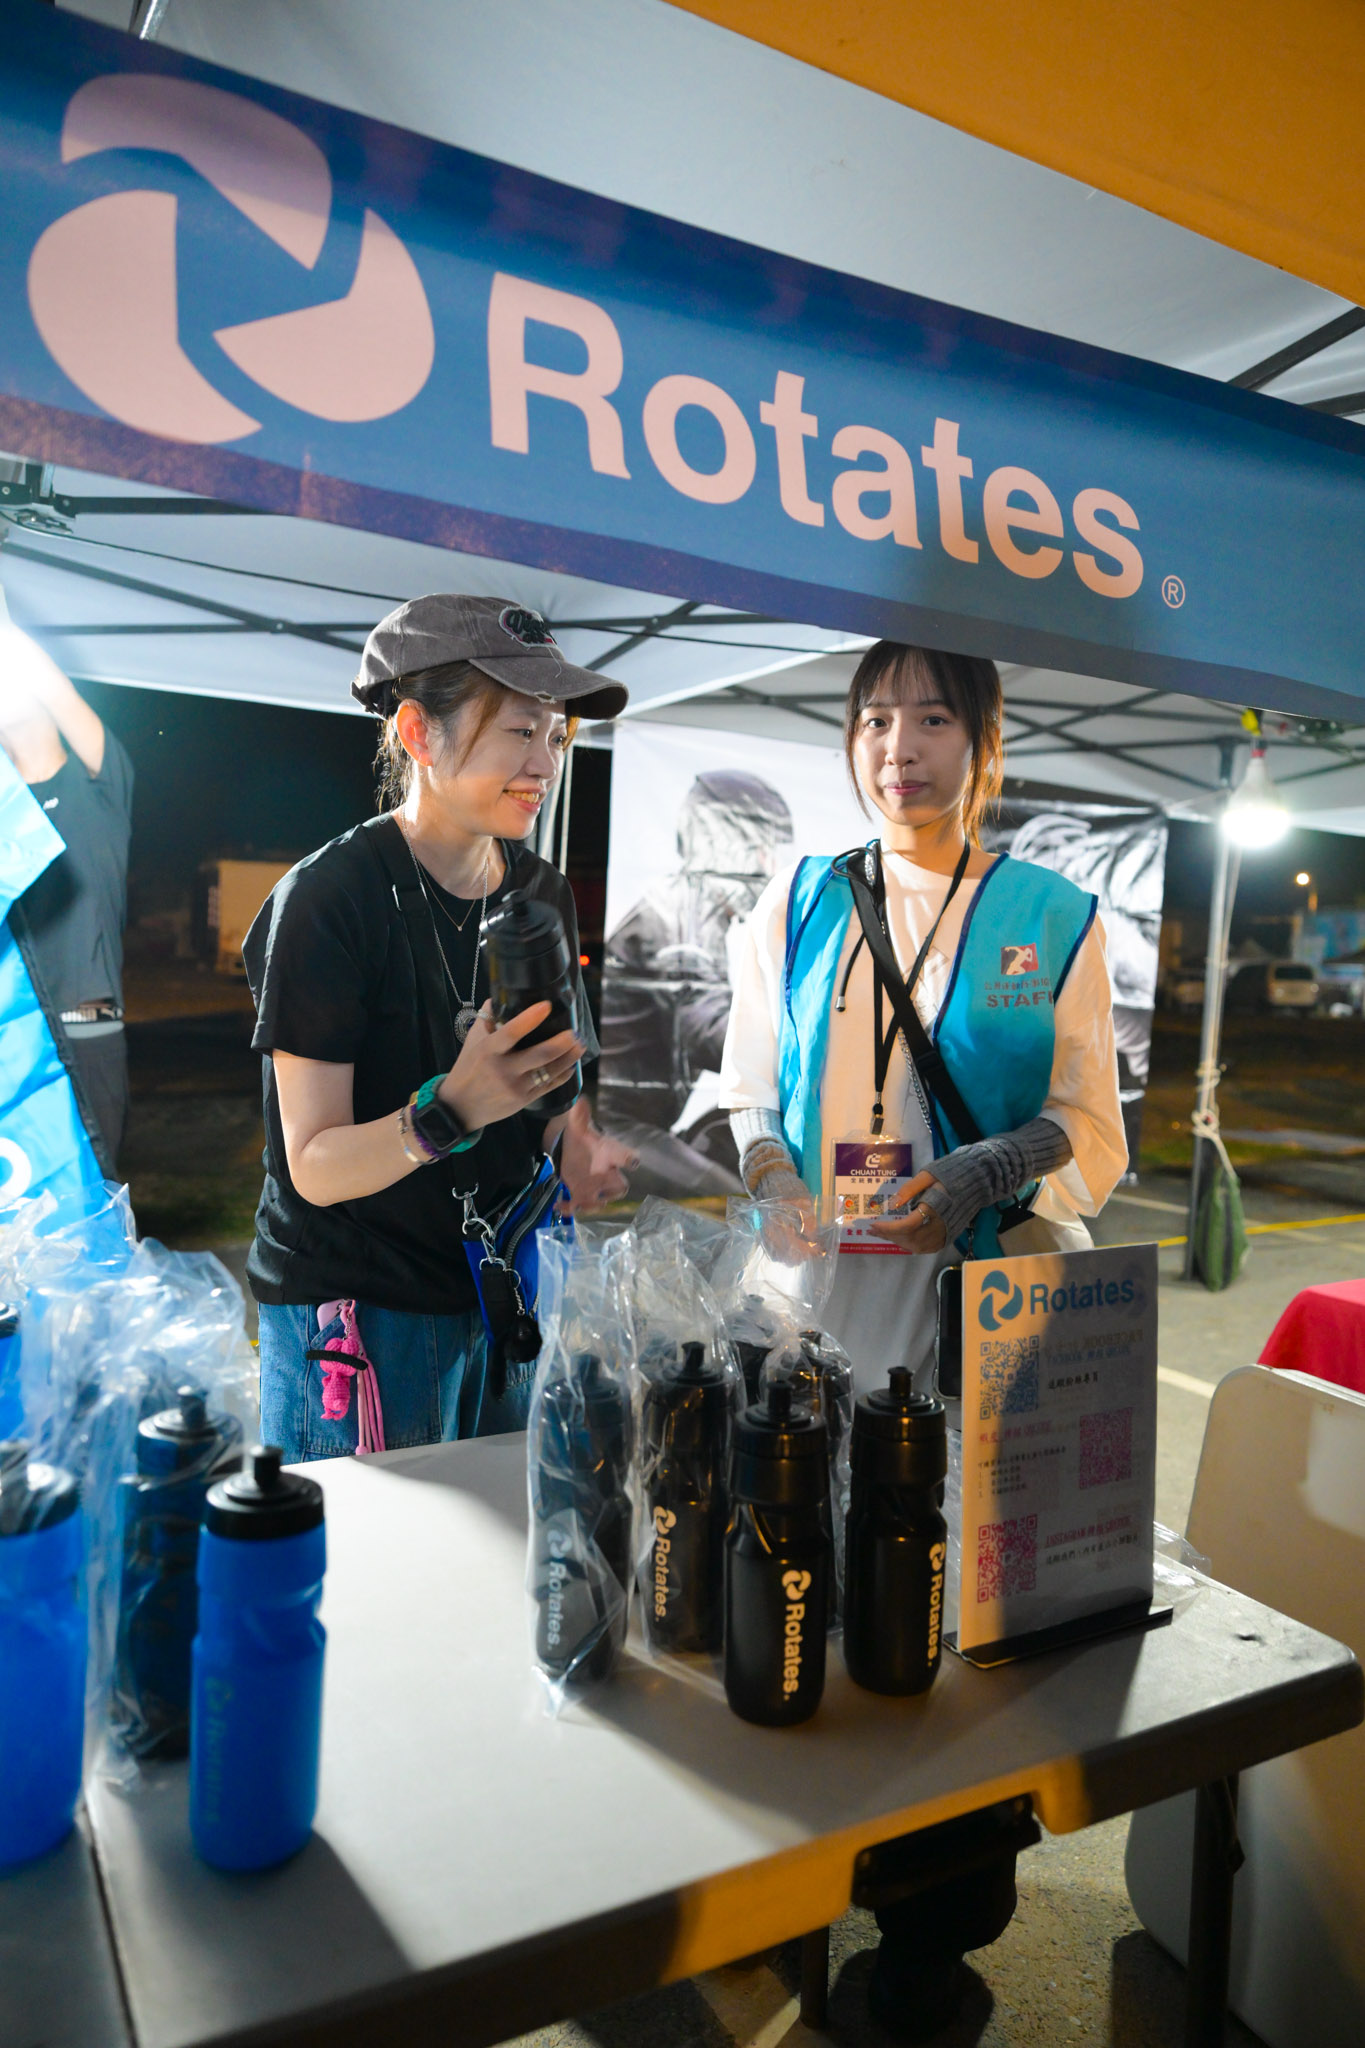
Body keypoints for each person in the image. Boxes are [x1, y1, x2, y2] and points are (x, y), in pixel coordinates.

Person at [719, 640, 1126, 2040]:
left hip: (972, 1326)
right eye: (876, 718)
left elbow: (1090, 1124)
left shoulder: (1051, 917)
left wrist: (987, 1167)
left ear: (984, 740)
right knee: (796, 1599)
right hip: (807, 1312)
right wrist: (771, 1171)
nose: (900, 747)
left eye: (934, 717)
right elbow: (744, 1083)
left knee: (950, 1630)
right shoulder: (797, 898)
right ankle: (775, 1904)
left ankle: (927, 1952)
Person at [244, 595, 634, 1461]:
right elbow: (313, 1167)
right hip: (358, 1310)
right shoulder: (328, 900)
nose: (545, 762)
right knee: (374, 1551)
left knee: (496, 1536)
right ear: (419, 733)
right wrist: (453, 1109)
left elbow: (547, 1087)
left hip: (496, 1293)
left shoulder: (540, 891)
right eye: (519, 731)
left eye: (556, 735)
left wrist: (573, 1140)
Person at [600, 771, 793, 1187]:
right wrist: (801, 1048)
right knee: (728, 1202)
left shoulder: (691, 909)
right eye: (760, 848)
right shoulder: (679, 919)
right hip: (612, 1130)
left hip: (640, 1123)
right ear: (722, 845)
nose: (769, 867)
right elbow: (708, 1030)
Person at [0, 613, 133, 1170]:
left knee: (89, 1184)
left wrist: (8, 628)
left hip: (87, 1020)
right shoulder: (6, 812)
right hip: (14, 1028)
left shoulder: (98, 783)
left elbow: (57, 692)